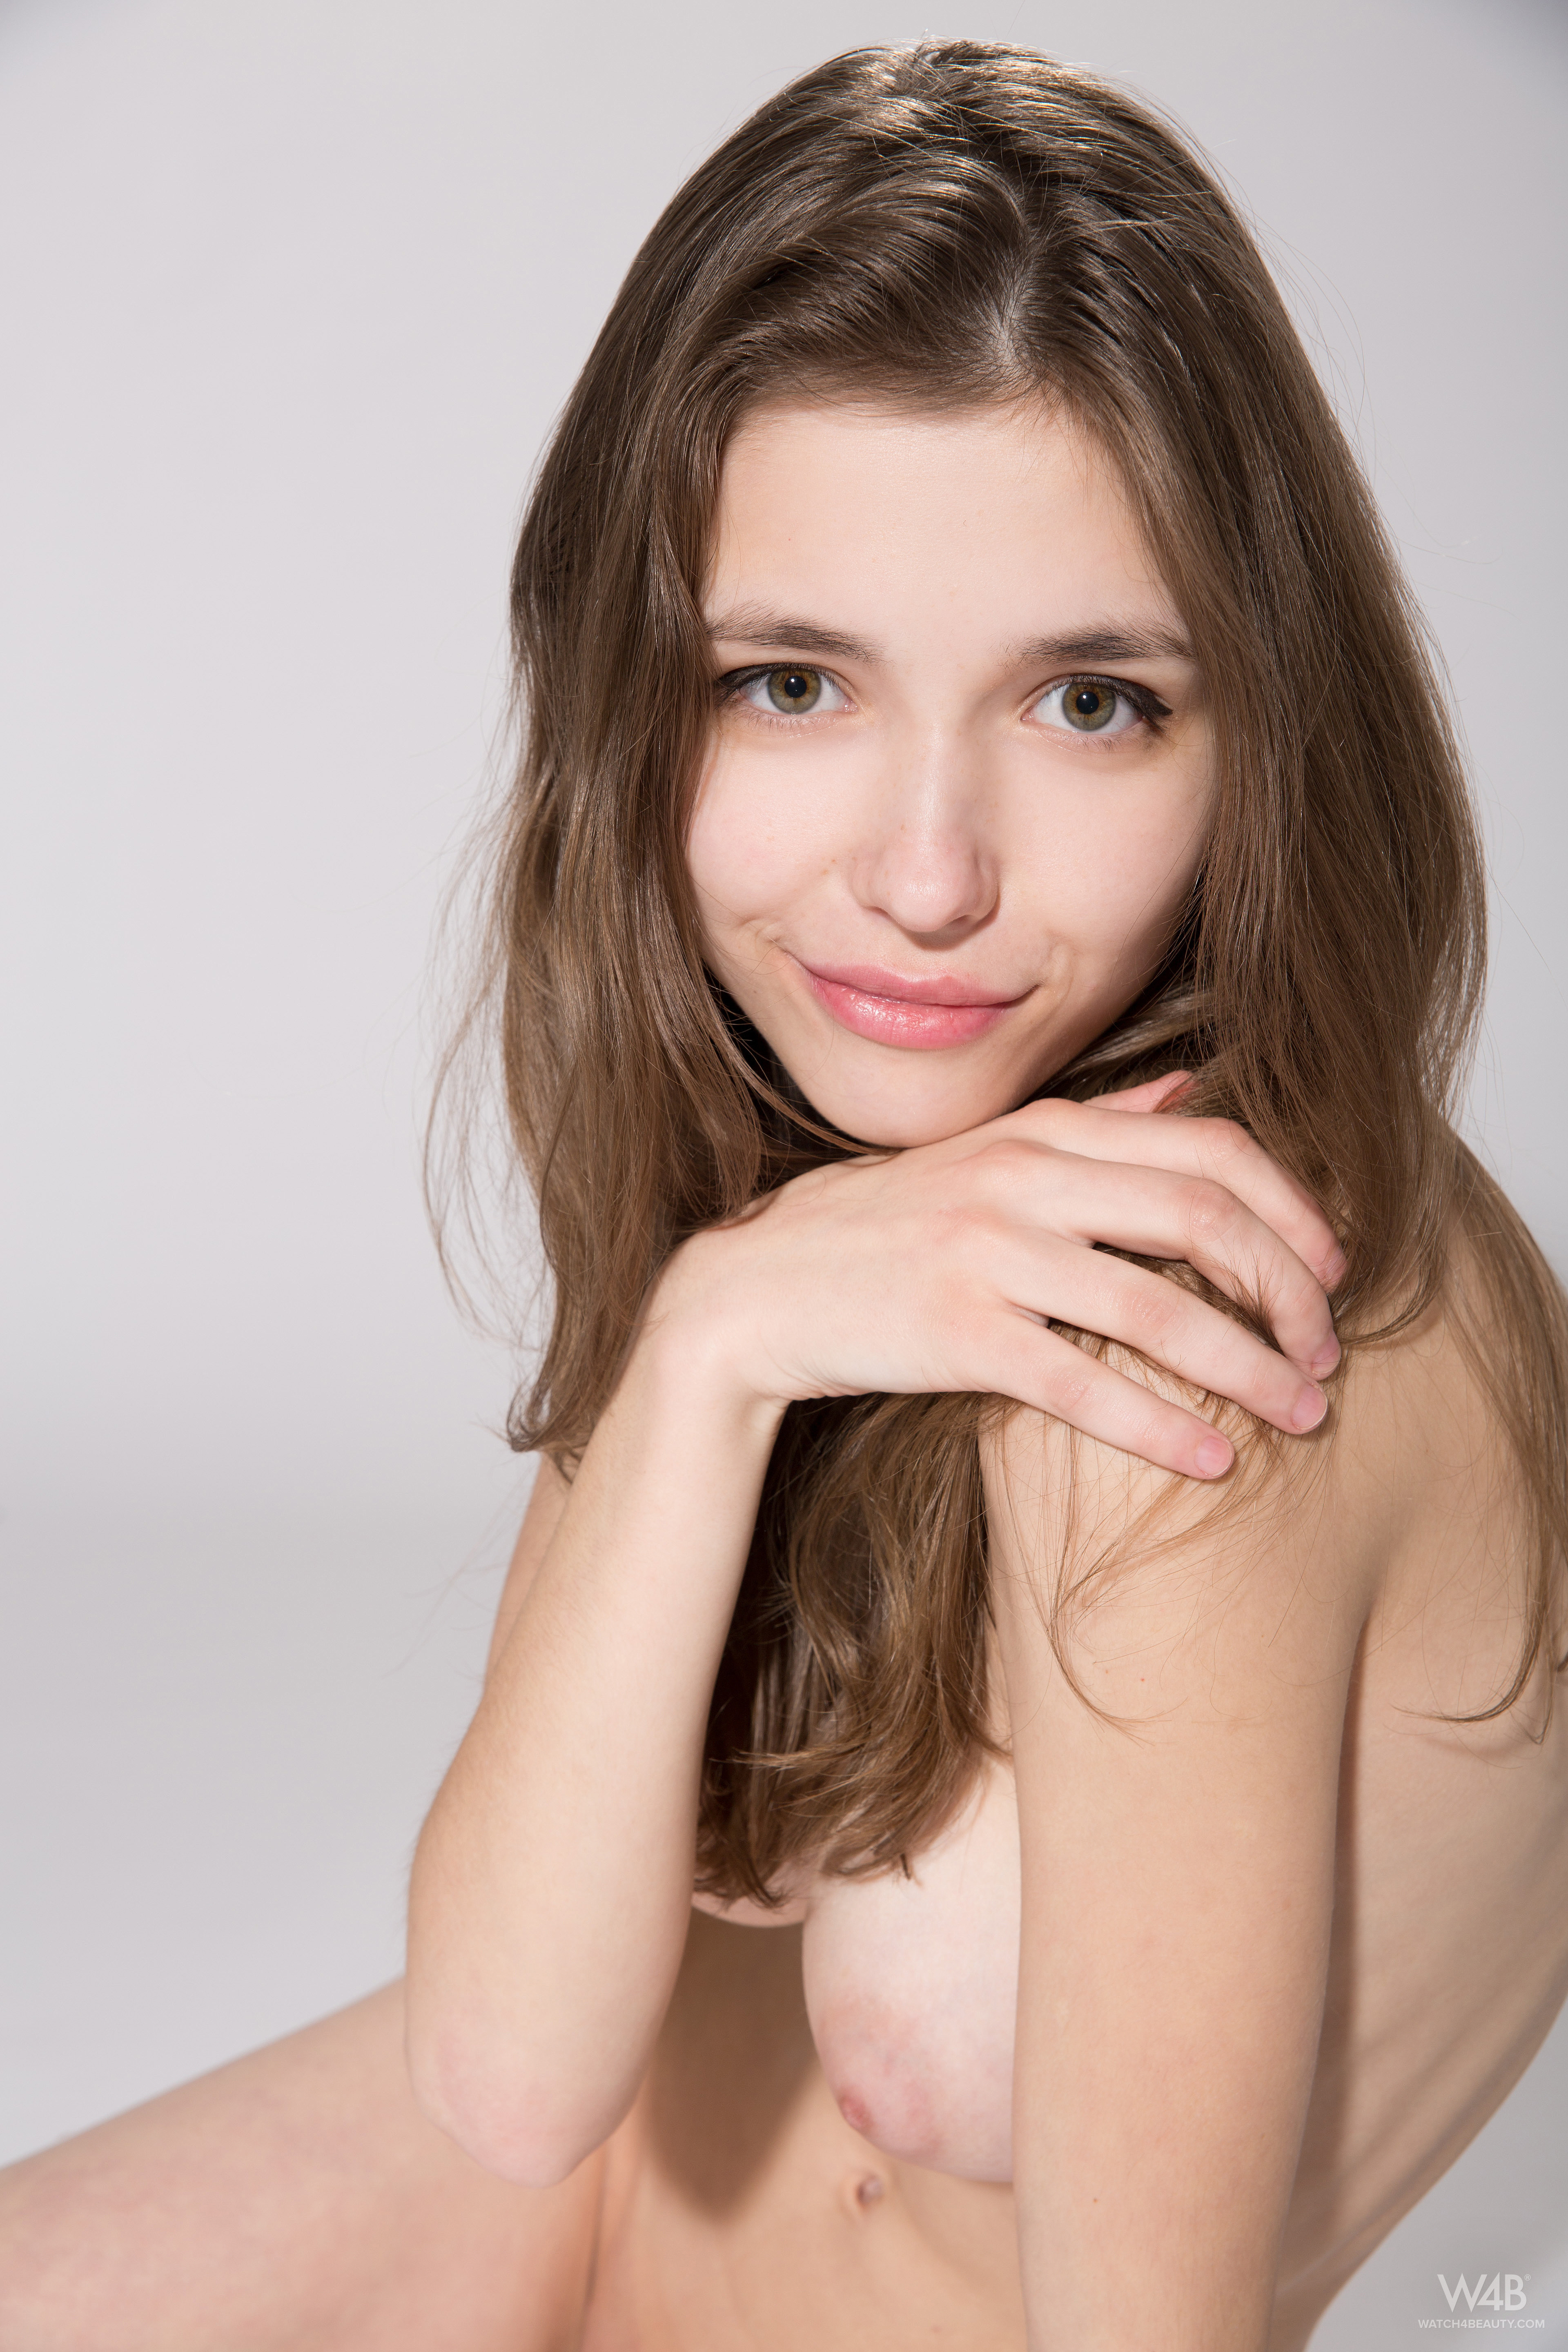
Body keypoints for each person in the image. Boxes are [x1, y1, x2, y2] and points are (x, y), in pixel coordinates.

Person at [4, 39, 1566, 2352]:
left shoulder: (1192, 1344)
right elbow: (510, 2075)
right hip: (565, 2212)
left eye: (1091, 701)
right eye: (790, 684)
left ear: (1267, 731)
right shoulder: (818, 1168)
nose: (924, 880)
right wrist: (718, 1335)